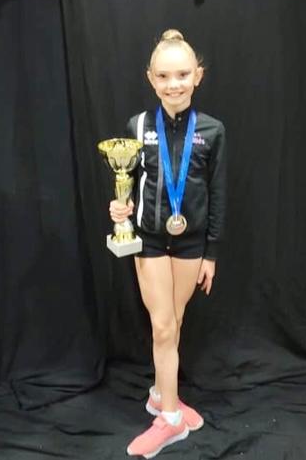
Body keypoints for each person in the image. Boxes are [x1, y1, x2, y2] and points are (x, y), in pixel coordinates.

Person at [109, 29, 226, 458]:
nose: (173, 84)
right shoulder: (138, 127)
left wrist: (211, 252)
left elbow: (218, 194)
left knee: (174, 323)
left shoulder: (212, 130)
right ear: (150, 79)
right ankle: (172, 419)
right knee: (162, 326)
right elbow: (127, 185)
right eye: (163, 76)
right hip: (150, 241)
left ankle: (161, 394)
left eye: (182, 74)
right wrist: (119, 208)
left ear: (198, 75)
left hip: (192, 245)